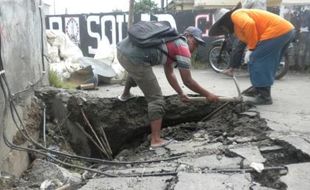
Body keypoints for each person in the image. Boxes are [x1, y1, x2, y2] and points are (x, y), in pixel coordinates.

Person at [117, 26, 219, 148]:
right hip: (134, 58)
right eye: (195, 43)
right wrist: (208, 94)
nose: (195, 47)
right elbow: (188, 81)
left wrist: (180, 93)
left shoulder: (170, 40)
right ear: (188, 36)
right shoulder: (182, 47)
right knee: (156, 99)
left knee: (137, 73)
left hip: (122, 50)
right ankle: (156, 140)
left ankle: (125, 95)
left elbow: (169, 72)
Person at [209, 4, 295, 105]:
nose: (224, 30)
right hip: (285, 30)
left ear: (226, 21)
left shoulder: (236, 15)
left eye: (222, 27)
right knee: (265, 62)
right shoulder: (238, 26)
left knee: (257, 59)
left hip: (277, 31)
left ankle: (264, 97)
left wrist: (251, 49)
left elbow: (250, 24)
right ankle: (258, 88)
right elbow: (249, 35)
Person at [222, 0, 267, 77]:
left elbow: (242, 8)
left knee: (239, 46)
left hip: (252, 25)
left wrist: (233, 10)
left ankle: (231, 69)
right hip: (262, 24)